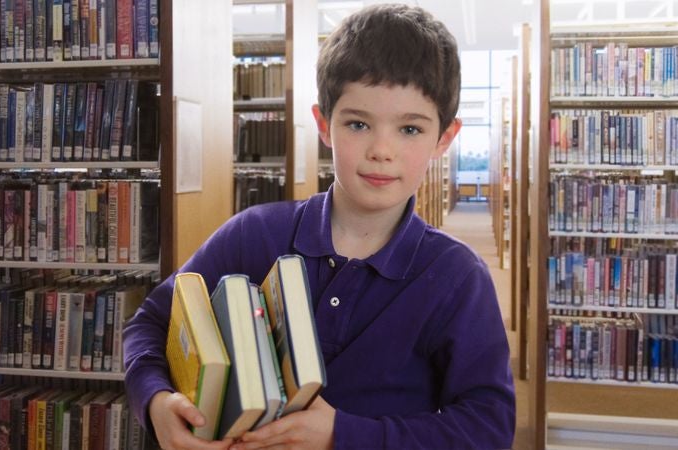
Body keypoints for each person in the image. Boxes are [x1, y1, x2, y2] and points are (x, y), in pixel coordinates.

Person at [124, 3, 516, 449]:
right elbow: (151, 323)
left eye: (409, 129)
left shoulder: (457, 276)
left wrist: (342, 435)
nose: (381, 150)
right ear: (324, 125)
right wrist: (155, 401)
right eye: (358, 124)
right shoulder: (253, 234)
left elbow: (488, 428)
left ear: (444, 139)